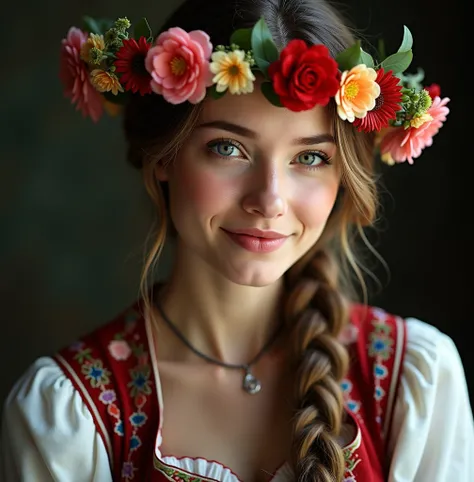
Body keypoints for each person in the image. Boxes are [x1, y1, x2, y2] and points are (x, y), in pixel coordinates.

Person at [1, 0, 472, 480]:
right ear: (164, 157)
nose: (269, 200)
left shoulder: (415, 384)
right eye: (228, 148)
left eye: (310, 158)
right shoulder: (68, 415)